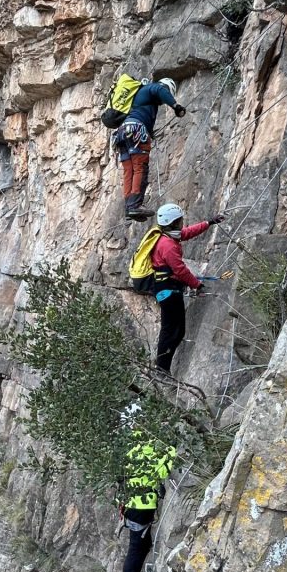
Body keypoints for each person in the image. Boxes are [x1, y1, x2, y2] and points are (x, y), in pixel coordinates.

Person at [151, 202, 225, 373]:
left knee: (176, 331)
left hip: (167, 288)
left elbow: (188, 232)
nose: (182, 223)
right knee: (172, 330)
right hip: (168, 290)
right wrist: (197, 285)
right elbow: (180, 269)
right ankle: (161, 369)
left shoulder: (168, 237)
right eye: (180, 220)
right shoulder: (168, 245)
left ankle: (162, 367)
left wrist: (209, 222)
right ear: (174, 222)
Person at [115, 422, 177, 572]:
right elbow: (163, 470)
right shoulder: (146, 446)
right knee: (137, 548)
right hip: (140, 506)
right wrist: (173, 450)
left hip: (130, 503)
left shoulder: (128, 444)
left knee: (140, 545)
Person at [113, 78, 186, 220]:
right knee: (140, 167)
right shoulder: (152, 88)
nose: (162, 102)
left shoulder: (140, 97)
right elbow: (159, 90)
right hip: (136, 131)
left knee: (129, 170)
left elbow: (141, 114)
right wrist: (175, 105)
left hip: (122, 133)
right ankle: (135, 205)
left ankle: (129, 206)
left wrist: (150, 133)